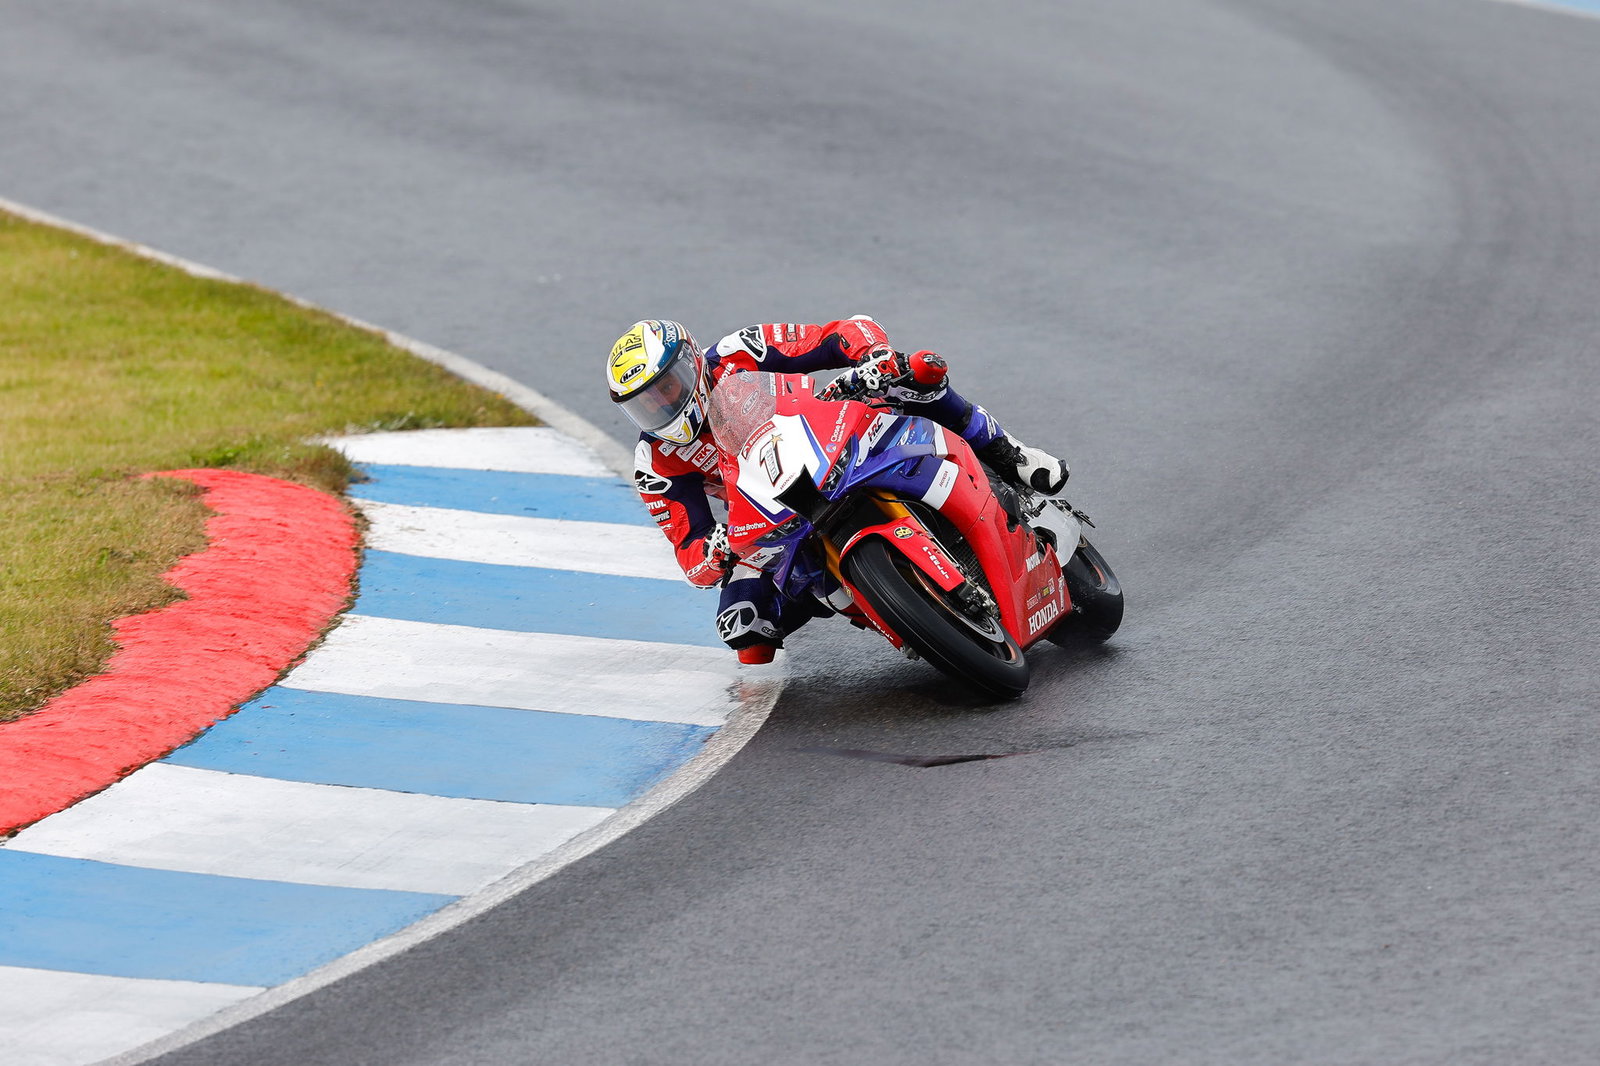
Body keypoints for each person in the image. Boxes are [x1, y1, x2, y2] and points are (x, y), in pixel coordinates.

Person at [605, 317, 1070, 663]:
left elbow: (837, 333)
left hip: (825, 435)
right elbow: (689, 551)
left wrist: (871, 357)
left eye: (666, 388)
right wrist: (718, 547)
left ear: (689, 362)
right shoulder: (655, 461)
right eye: (645, 404)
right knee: (745, 631)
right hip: (770, 508)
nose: (662, 406)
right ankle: (892, 611)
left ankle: (1013, 455)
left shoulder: (735, 352)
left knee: (916, 374)